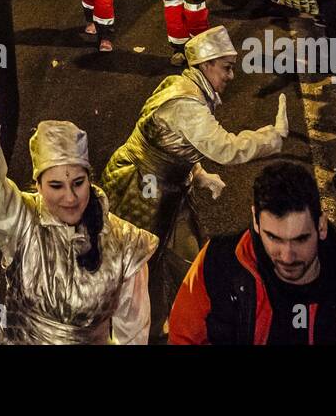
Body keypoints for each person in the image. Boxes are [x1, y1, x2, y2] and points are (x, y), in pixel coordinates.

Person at [0, 53, 157, 344]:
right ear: (38, 186)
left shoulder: (126, 244)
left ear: (89, 180)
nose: (70, 197)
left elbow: (133, 331)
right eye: (56, 185)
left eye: (78, 183)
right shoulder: (22, 223)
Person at [102, 27, 288, 337]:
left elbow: (174, 143)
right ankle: (139, 330)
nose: (231, 76)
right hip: (140, 187)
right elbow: (226, 148)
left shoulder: (185, 87)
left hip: (166, 186)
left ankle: (184, 318)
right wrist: (274, 137)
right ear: (206, 64)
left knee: (184, 257)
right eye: (226, 67)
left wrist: (198, 174)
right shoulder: (186, 102)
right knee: (140, 264)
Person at [168, 160, 336, 344]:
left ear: (321, 226)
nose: (287, 256)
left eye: (300, 239)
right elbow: (183, 335)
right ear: (256, 221)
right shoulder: (217, 262)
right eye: (274, 238)